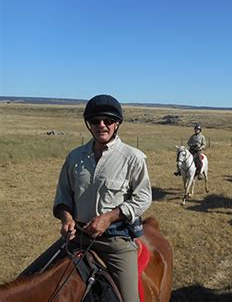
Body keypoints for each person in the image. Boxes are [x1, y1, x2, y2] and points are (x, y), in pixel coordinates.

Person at [21, 94, 152, 301]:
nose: (102, 125)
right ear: (88, 124)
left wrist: (109, 217)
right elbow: (64, 195)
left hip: (114, 242)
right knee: (29, 278)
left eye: (108, 121)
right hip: (78, 238)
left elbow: (143, 197)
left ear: (117, 124)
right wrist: (67, 218)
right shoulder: (74, 157)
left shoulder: (132, 158)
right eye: (95, 121)